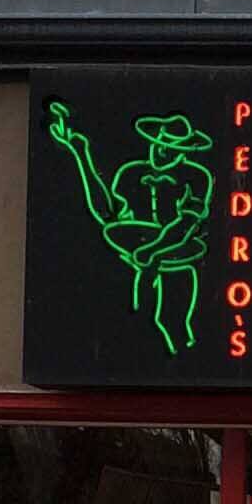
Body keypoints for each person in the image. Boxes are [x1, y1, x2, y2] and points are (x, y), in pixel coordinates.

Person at [48, 101, 214, 356]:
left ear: (183, 150)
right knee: (136, 325)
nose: (163, 152)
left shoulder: (196, 177)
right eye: (161, 144)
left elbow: (186, 225)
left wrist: (152, 251)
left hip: (177, 261)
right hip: (135, 259)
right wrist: (81, 154)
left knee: (173, 324)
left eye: (171, 148)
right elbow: (108, 213)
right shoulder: (131, 173)